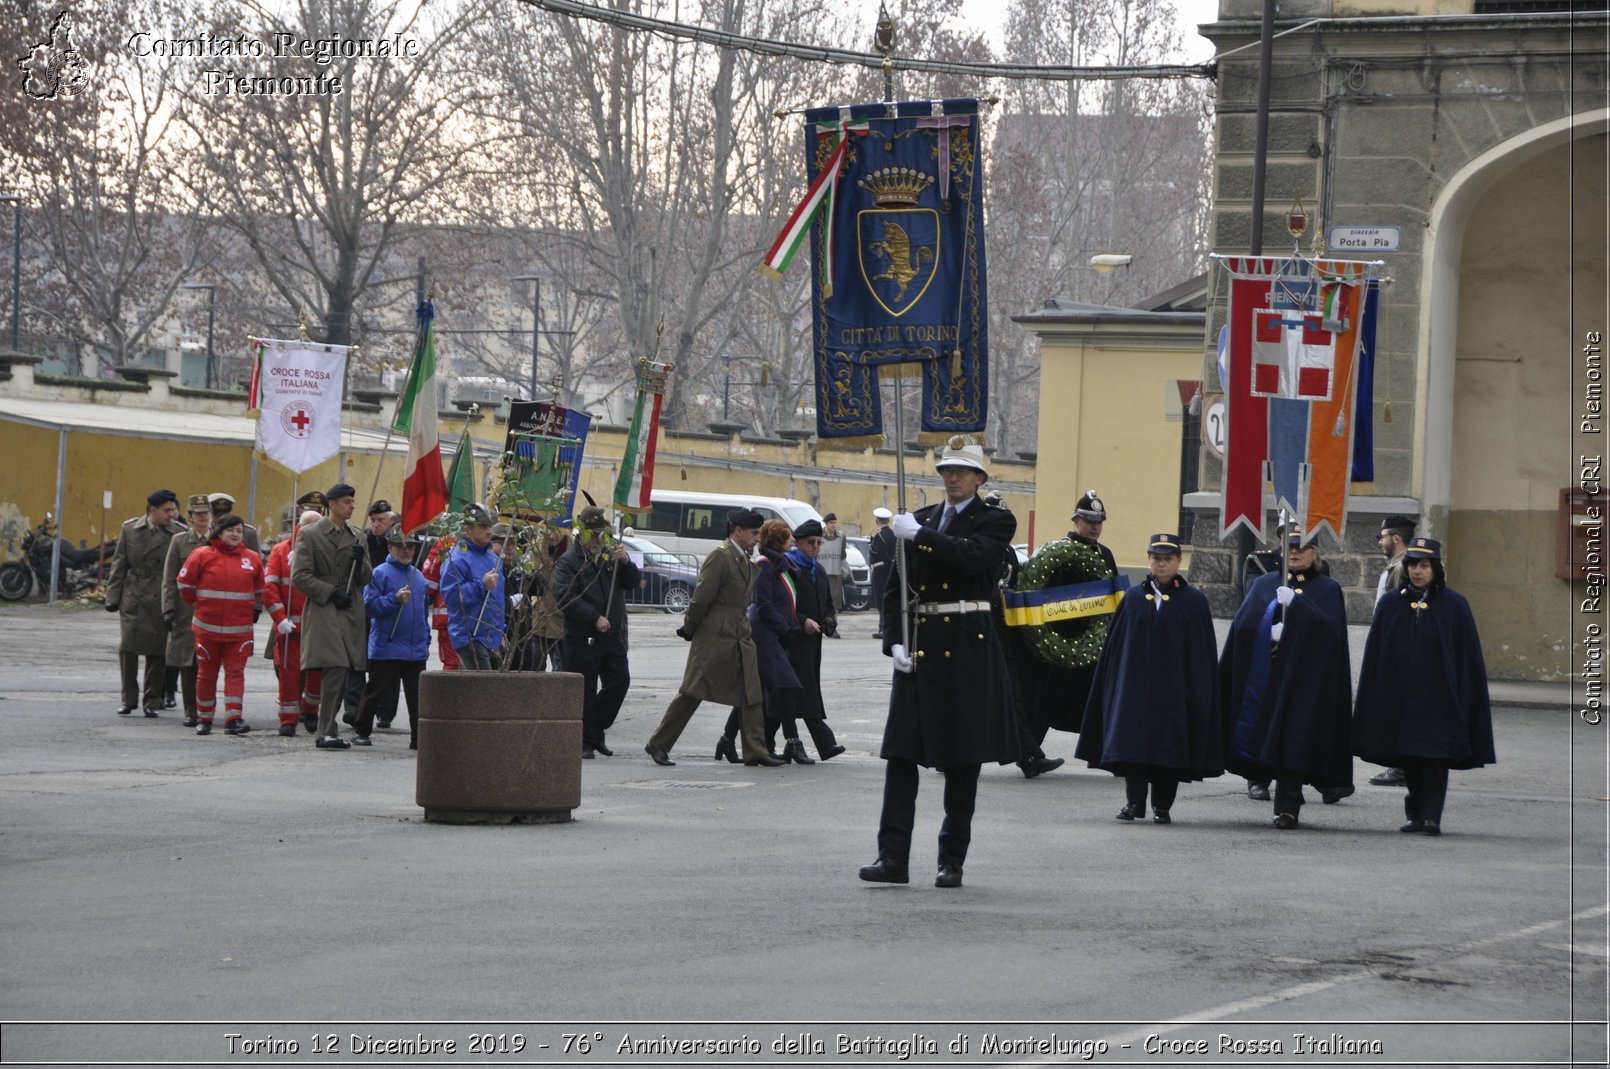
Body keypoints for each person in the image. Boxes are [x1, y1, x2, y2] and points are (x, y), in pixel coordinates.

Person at [859, 439, 1019, 889]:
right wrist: (893, 643)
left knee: (963, 761)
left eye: (962, 472)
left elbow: (971, 558)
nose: (952, 478)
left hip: (968, 645)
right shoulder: (922, 519)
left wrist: (920, 536)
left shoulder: (995, 519)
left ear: (979, 479)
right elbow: (895, 592)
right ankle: (892, 856)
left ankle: (951, 860)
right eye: (947, 471)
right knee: (900, 757)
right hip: (922, 646)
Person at [1075, 534, 1223, 823]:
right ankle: (1134, 803)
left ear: (1179, 561)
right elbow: (1117, 648)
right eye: (1156, 558)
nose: (1162, 563)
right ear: (1149, 561)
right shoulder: (1132, 599)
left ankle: (1162, 806)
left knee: (1169, 749)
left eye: (1168, 559)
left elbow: (1201, 653)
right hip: (1135, 690)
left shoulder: (1193, 601)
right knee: (1133, 747)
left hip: (1175, 691)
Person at [1353, 537, 1495, 835]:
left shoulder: (1454, 605)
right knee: (1411, 759)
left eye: (1424, 565)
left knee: (1435, 758)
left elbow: (1466, 656)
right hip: (1403, 698)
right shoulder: (1392, 603)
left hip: (1439, 697)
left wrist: (1462, 695)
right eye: (1413, 565)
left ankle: (1432, 816)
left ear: (1435, 569)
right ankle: (1415, 813)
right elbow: (1378, 652)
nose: (1418, 571)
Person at [1220, 529, 1354, 828]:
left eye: (1303, 547)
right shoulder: (1266, 584)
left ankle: (1288, 806)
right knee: (1263, 734)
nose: (1295, 552)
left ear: (1315, 553)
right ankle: (1258, 778)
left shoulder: (1327, 588)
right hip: (1265, 676)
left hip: (1302, 682)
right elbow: (1243, 626)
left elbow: (1330, 633)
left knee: (1294, 742)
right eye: (1290, 546)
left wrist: (1298, 608)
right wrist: (1268, 628)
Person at [644, 508, 781, 767]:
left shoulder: (744, 560)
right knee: (693, 691)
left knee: (751, 691)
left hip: (740, 633)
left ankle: (756, 750)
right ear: (737, 531)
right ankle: (659, 744)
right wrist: (689, 627)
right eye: (753, 533)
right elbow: (701, 597)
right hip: (715, 633)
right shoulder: (721, 556)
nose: (757, 538)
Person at [1018, 490, 1118, 765]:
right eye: (1089, 521)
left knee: (1096, 699)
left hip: (1094, 642)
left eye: (1099, 521)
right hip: (1061, 641)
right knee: (1047, 700)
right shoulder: (1059, 553)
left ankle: (1101, 755)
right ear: (1076, 521)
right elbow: (1045, 595)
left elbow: (1114, 595)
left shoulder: (1105, 554)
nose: (1095, 526)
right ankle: (1028, 755)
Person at [552, 506, 641, 758]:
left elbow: (631, 582)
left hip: (611, 635)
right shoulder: (569, 562)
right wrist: (594, 618)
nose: (600, 538)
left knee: (619, 681)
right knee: (586, 690)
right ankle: (586, 741)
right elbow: (565, 597)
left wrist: (625, 562)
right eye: (596, 534)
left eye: (603, 533)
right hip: (582, 635)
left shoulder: (609, 557)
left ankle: (595, 727)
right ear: (584, 534)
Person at [291, 483, 374, 750]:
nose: (352, 506)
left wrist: (360, 561)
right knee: (335, 666)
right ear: (333, 504)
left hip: (349, 609)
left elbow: (366, 578)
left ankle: (328, 729)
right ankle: (326, 730)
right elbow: (300, 576)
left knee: (343, 669)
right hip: (325, 608)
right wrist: (329, 591)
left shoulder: (358, 536)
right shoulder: (310, 534)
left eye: (353, 501)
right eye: (347, 502)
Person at [176, 513, 266, 736]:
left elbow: (260, 589)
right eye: (230, 530)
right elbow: (184, 584)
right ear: (219, 531)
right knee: (206, 674)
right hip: (207, 630)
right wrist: (202, 606)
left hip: (239, 632)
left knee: (236, 673)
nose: (235, 535)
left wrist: (253, 610)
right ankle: (204, 718)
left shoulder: (252, 558)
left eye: (239, 531)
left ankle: (233, 718)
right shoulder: (201, 555)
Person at [106, 488, 185, 717]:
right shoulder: (130, 529)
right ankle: (128, 698)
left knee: (158, 652)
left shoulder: (178, 534)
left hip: (162, 597)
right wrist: (112, 597)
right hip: (134, 597)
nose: (172, 514)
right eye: (167, 510)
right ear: (153, 510)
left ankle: (152, 700)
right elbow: (119, 565)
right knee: (127, 648)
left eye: (174, 510)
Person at [353, 527, 430, 750]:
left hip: (415, 649)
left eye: (410, 546)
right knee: (375, 691)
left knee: (417, 698)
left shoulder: (419, 577)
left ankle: (418, 738)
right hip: (388, 645)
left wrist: (425, 639)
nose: (406, 550)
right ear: (390, 547)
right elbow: (368, 606)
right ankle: (362, 731)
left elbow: (423, 613)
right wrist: (393, 599)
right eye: (400, 546)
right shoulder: (380, 573)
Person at [746, 520, 811, 763]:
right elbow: (763, 604)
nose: (793, 541)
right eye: (788, 537)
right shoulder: (764, 564)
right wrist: (785, 629)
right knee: (787, 686)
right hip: (765, 634)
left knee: (764, 691)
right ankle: (791, 742)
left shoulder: (780, 564)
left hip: (775, 633)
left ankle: (732, 740)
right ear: (777, 540)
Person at [782, 518, 845, 760]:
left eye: (819, 542)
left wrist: (829, 620)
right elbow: (784, 604)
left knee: (791, 695)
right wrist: (803, 620)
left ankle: (785, 742)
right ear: (797, 542)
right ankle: (822, 743)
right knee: (799, 691)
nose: (816, 547)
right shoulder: (788, 566)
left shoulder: (817, 568)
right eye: (811, 542)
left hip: (813, 642)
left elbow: (828, 604)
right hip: (793, 639)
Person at [1367, 513, 1420, 789]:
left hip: (1397, 648)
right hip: (1391, 644)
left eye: (1382, 537)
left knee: (1397, 708)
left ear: (1395, 538)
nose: (1380, 542)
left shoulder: (1403, 568)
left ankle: (1400, 766)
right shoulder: (1397, 565)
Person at [264, 509, 325, 736]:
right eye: (308, 526)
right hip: (289, 626)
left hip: (317, 625)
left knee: (317, 673)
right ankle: (287, 719)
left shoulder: (325, 550)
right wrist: (279, 619)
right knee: (288, 675)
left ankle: (310, 710)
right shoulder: (281, 552)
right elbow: (270, 588)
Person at [160, 494, 214, 727]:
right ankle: (192, 711)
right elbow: (170, 578)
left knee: (210, 663)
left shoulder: (220, 539)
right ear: (190, 517)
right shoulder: (179, 541)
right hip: (186, 610)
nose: (203, 517)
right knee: (188, 663)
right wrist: (168, 609)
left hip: (214, 610)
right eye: (197, 513)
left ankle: (207, 708)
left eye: (206, 512)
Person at [440, 503, 505, 670]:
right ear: (467, 529)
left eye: (489, 526)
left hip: (492, 636)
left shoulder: (493, 558)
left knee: (481, 691)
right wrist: (481, 586)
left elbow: (497, 600)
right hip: (470, 636)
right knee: (484, 690)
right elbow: (453, 598)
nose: (489, 531)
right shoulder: (456, 559)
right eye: (483, 527)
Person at [867, 507, 896, 640]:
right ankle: (884, 627)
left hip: (880, 572)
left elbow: (882, 555)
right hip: (890, 571)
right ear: (889, 520)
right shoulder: (893, 534)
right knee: (887, 600)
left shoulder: (879, 536)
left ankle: (883, 628)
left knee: (880, 601)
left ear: (877, 521)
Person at [818, 512, 847, 612]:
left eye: (835, 522)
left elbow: (843, 556)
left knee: (835, 603)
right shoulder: (818, 536)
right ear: (826, 523)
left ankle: (833, 624)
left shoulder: (841, 537)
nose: (833, 525)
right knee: (821, 601)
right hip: (821, 573)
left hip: (836, 573)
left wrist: (845, 570)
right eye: (831, 522)